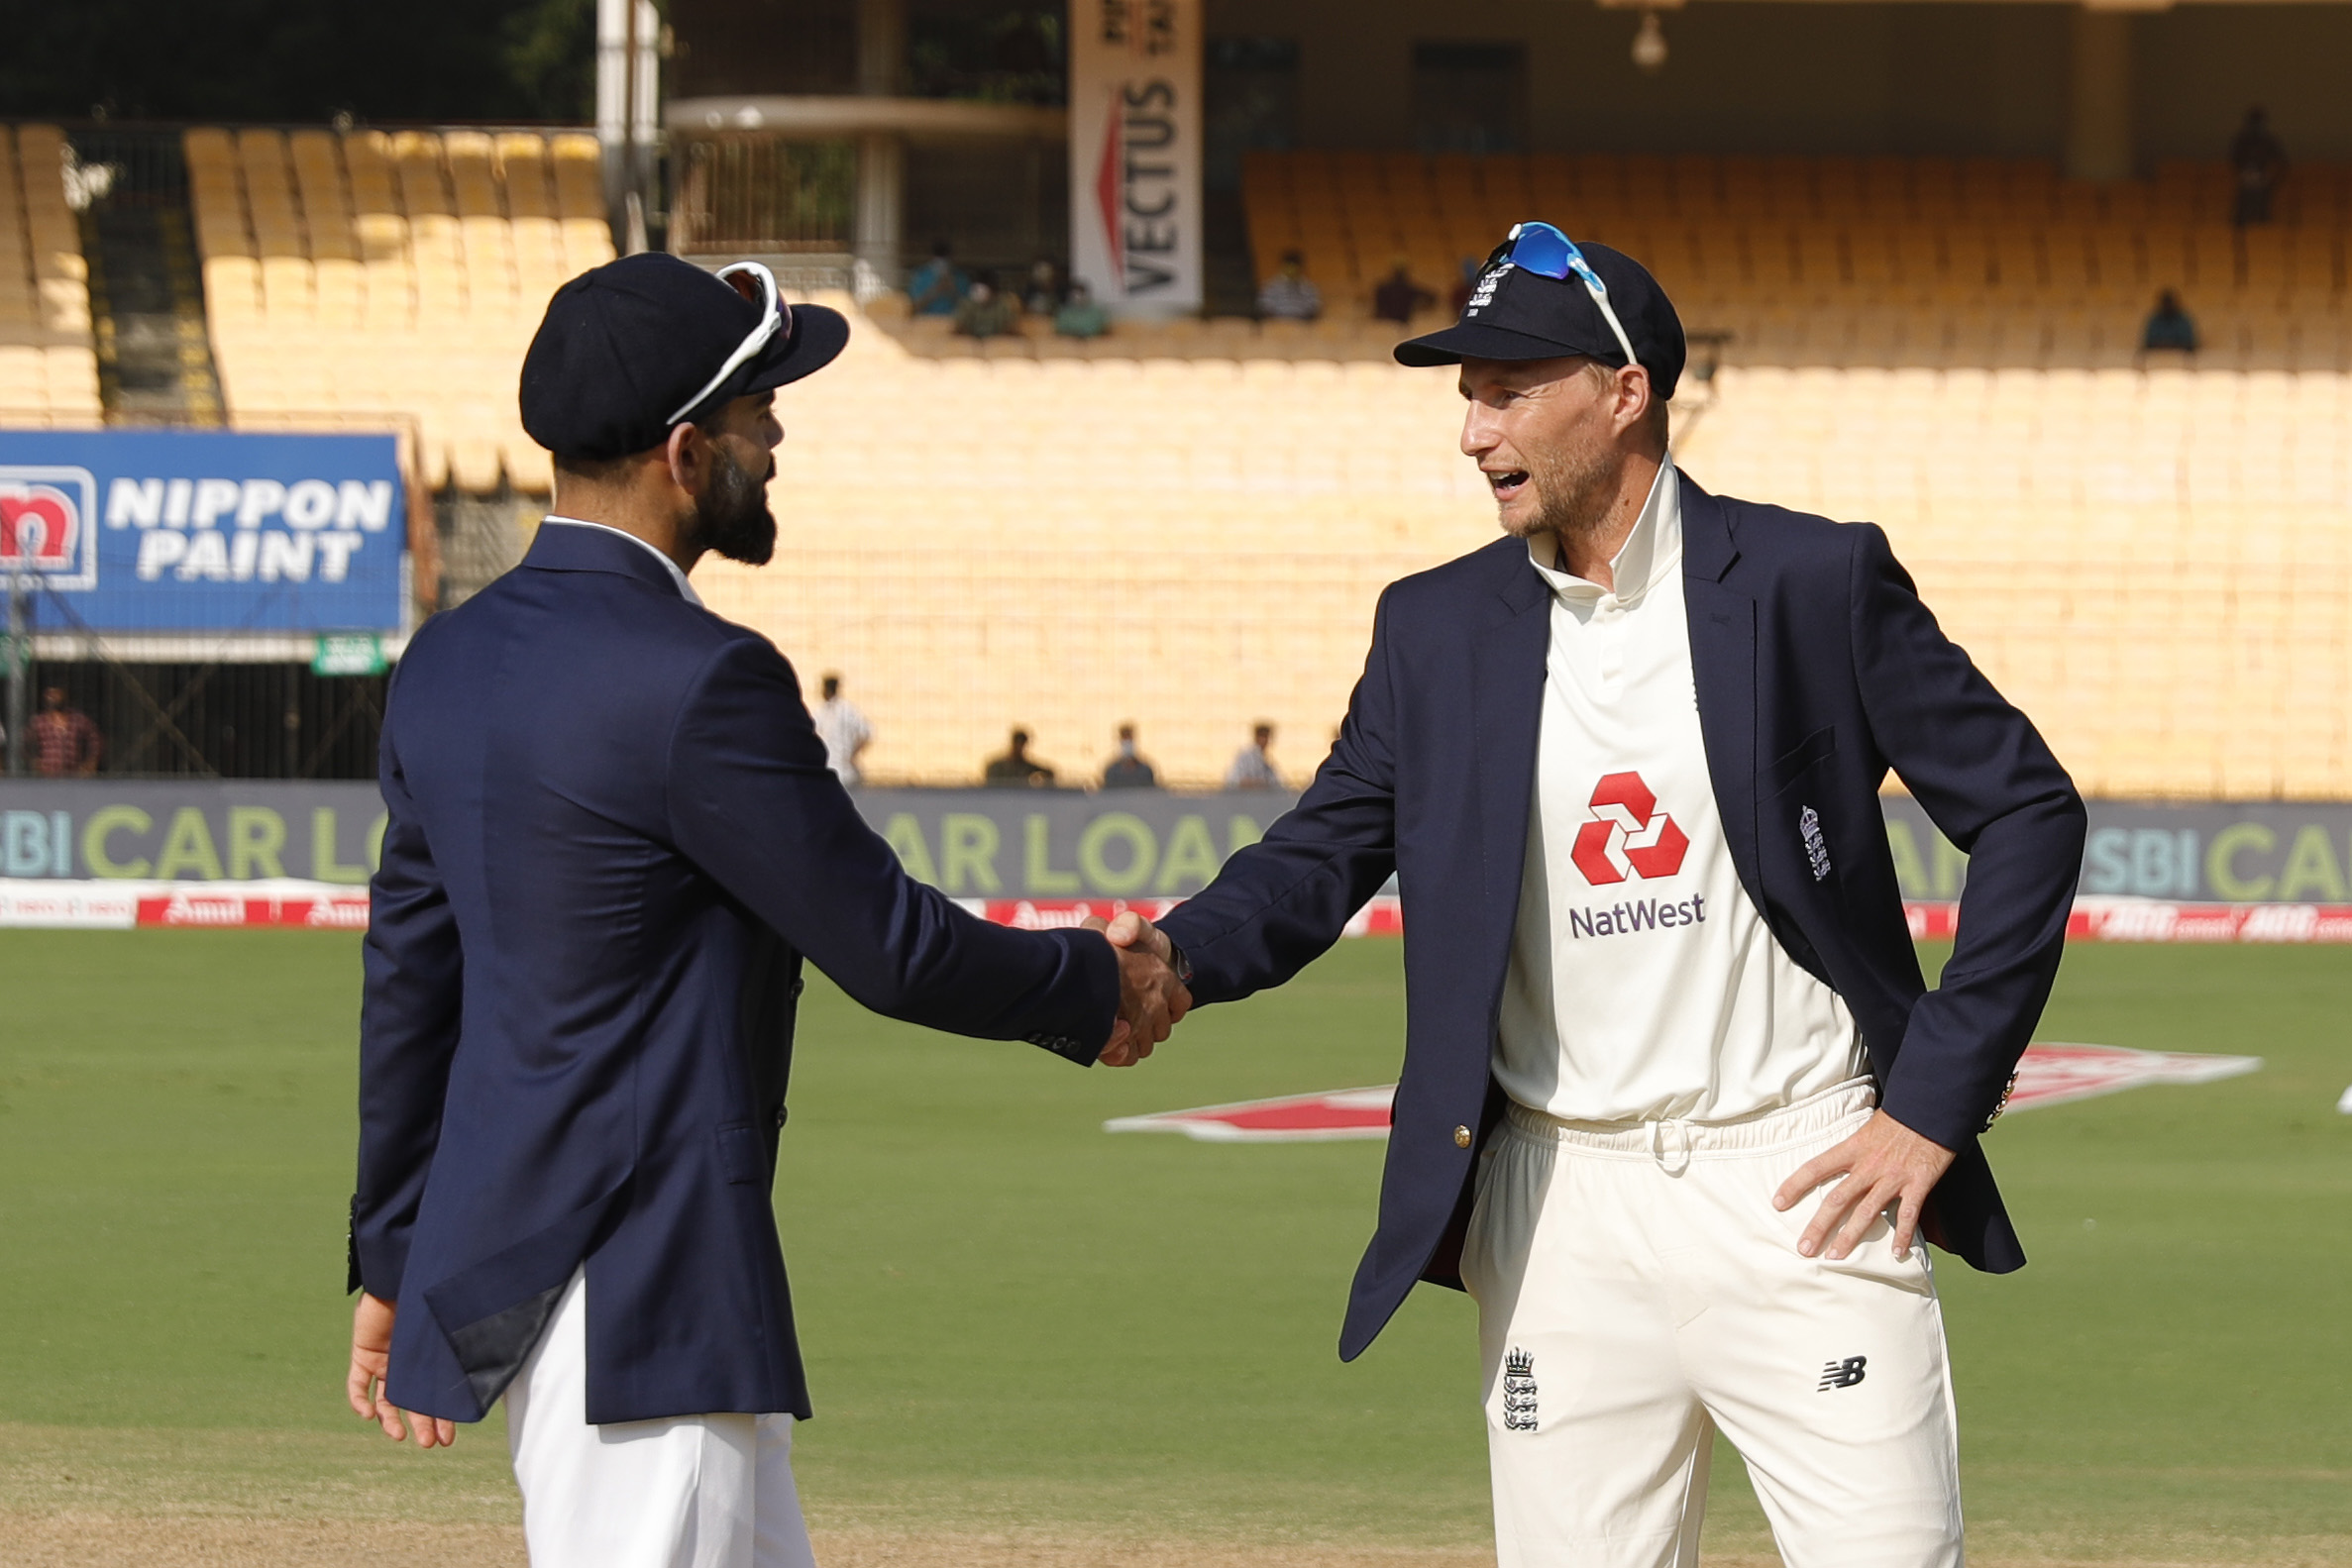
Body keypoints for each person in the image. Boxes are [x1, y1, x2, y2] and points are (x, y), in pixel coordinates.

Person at [1110, 222, 2085, 1566]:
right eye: (1463, 391)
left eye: (1505, 387)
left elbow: (2027, 809)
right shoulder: (1430, 628)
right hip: (1551, 1204)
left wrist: (1929, 1104)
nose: (1469, 429)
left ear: (1622, 391)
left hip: (1798, 1183)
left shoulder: (1810, 579)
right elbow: (1318, 852)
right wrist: (1171, 956)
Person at [345, 253, 1186, 1568]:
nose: (778, 440)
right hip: (646, 1284)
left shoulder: (442, 660)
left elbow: (410, 977)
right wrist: (1095, 983)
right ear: (686, 452)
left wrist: (391, 1255)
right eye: (760, 415)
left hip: (546, 1270)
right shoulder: (704, 678)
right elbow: (887, 945)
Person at [810, 672, 872, 786]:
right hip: (833, 770)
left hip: (841, 771)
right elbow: (866, 733)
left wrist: (853, 755)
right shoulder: (825, 711)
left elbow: (866, 733)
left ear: (827, 690)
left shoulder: (843, 711)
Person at [2229, 107, 2288, 228]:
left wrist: (2270, 179)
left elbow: (2282, 162)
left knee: (2262, 215)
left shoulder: (2269, 140)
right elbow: (2234, 159)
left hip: (2263, 179)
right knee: (2242, 212)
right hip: (2246, 178)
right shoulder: (2241, 140)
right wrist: (2245, 174)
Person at [32, 685, 101, 776]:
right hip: (47, 776)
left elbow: (96, 741)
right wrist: (35, 762)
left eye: (56, 694)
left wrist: (90, 763)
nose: (53, 697)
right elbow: (26, 744)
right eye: (50, 694)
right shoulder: (39, 722)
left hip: (74, 775)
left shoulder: (78, 720)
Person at [1256, 250, 1322, 321]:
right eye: (1288, 265)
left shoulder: (1309, 288)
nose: (1291, 269)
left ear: (1300, 267)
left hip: (1301, 324)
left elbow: (1314, 308)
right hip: (1278, 324)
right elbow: (1265, 307)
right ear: (1282, 266)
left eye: (1294, 266)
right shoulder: (1271, 286)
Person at [907, 239, 966, 316]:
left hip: (952, 323)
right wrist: (935, 290)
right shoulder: (921, 276)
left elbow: (969, 310)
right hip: (927, 322)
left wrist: (953, 291)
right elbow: (913, 308)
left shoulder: (960, 277)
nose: (942, 263)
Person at [984, 726, 1056, 787]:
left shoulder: (1026, 766)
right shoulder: (998, 766)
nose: (1020, 748)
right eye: (1018, 744)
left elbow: (1049, 772)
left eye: (1022, 745)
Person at [953, 277, 1020, 340]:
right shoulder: (966, 305)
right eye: (976, 290)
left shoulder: (1002, 306)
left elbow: (1010, 328)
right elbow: (959, 327)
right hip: (972, 342)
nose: (979, 292)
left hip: (995, 342)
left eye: (983, 290)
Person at [1372, 261, 1434, 325]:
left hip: (1387, 323)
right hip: (1402, 322)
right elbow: (1431, 297)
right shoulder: (1411, 289)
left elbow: (1378, 310)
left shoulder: (1382, 288)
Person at [1224, 722, 1281, 789]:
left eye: (1267, 737)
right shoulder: (1245, 756)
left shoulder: (1268, 761)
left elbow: (1276, 783)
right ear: (1256, 737)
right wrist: (1257, 783)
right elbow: (1233, 780)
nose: (1265, 740)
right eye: (1263, 736)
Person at [2141, 289, 2199, 355]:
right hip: (2158, 358)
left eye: (2170, 303)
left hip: (2179, 357)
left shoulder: (2183, 320)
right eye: (2165, 303)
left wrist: (2171, 345)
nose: (2168, 306)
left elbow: (2189, 342)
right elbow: (2149, 342)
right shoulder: (2154, 320)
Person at [1102, 723, 1157, 789]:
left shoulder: (1145, 770)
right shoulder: (1112, 772)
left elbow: (1152, 792)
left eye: (1129, 739)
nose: (1127, 743)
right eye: (1124, 739)